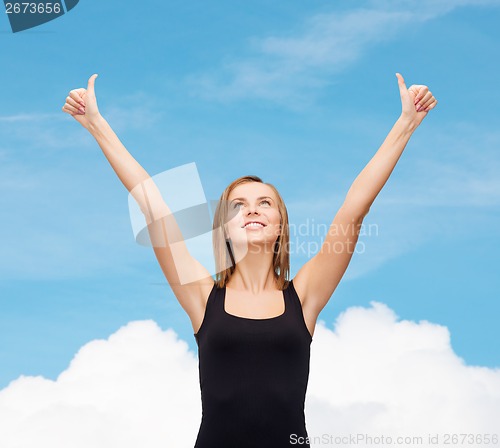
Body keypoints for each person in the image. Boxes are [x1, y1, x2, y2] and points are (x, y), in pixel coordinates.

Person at [61, 73, 437, 447]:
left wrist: (405, 125)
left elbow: (354, 210)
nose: (251, 211)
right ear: (224, 227)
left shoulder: (304, 296)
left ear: (279, 225)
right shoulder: (201, 296)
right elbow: (151, 204)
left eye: (264, 203)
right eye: (237, 206)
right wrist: (96, 124)